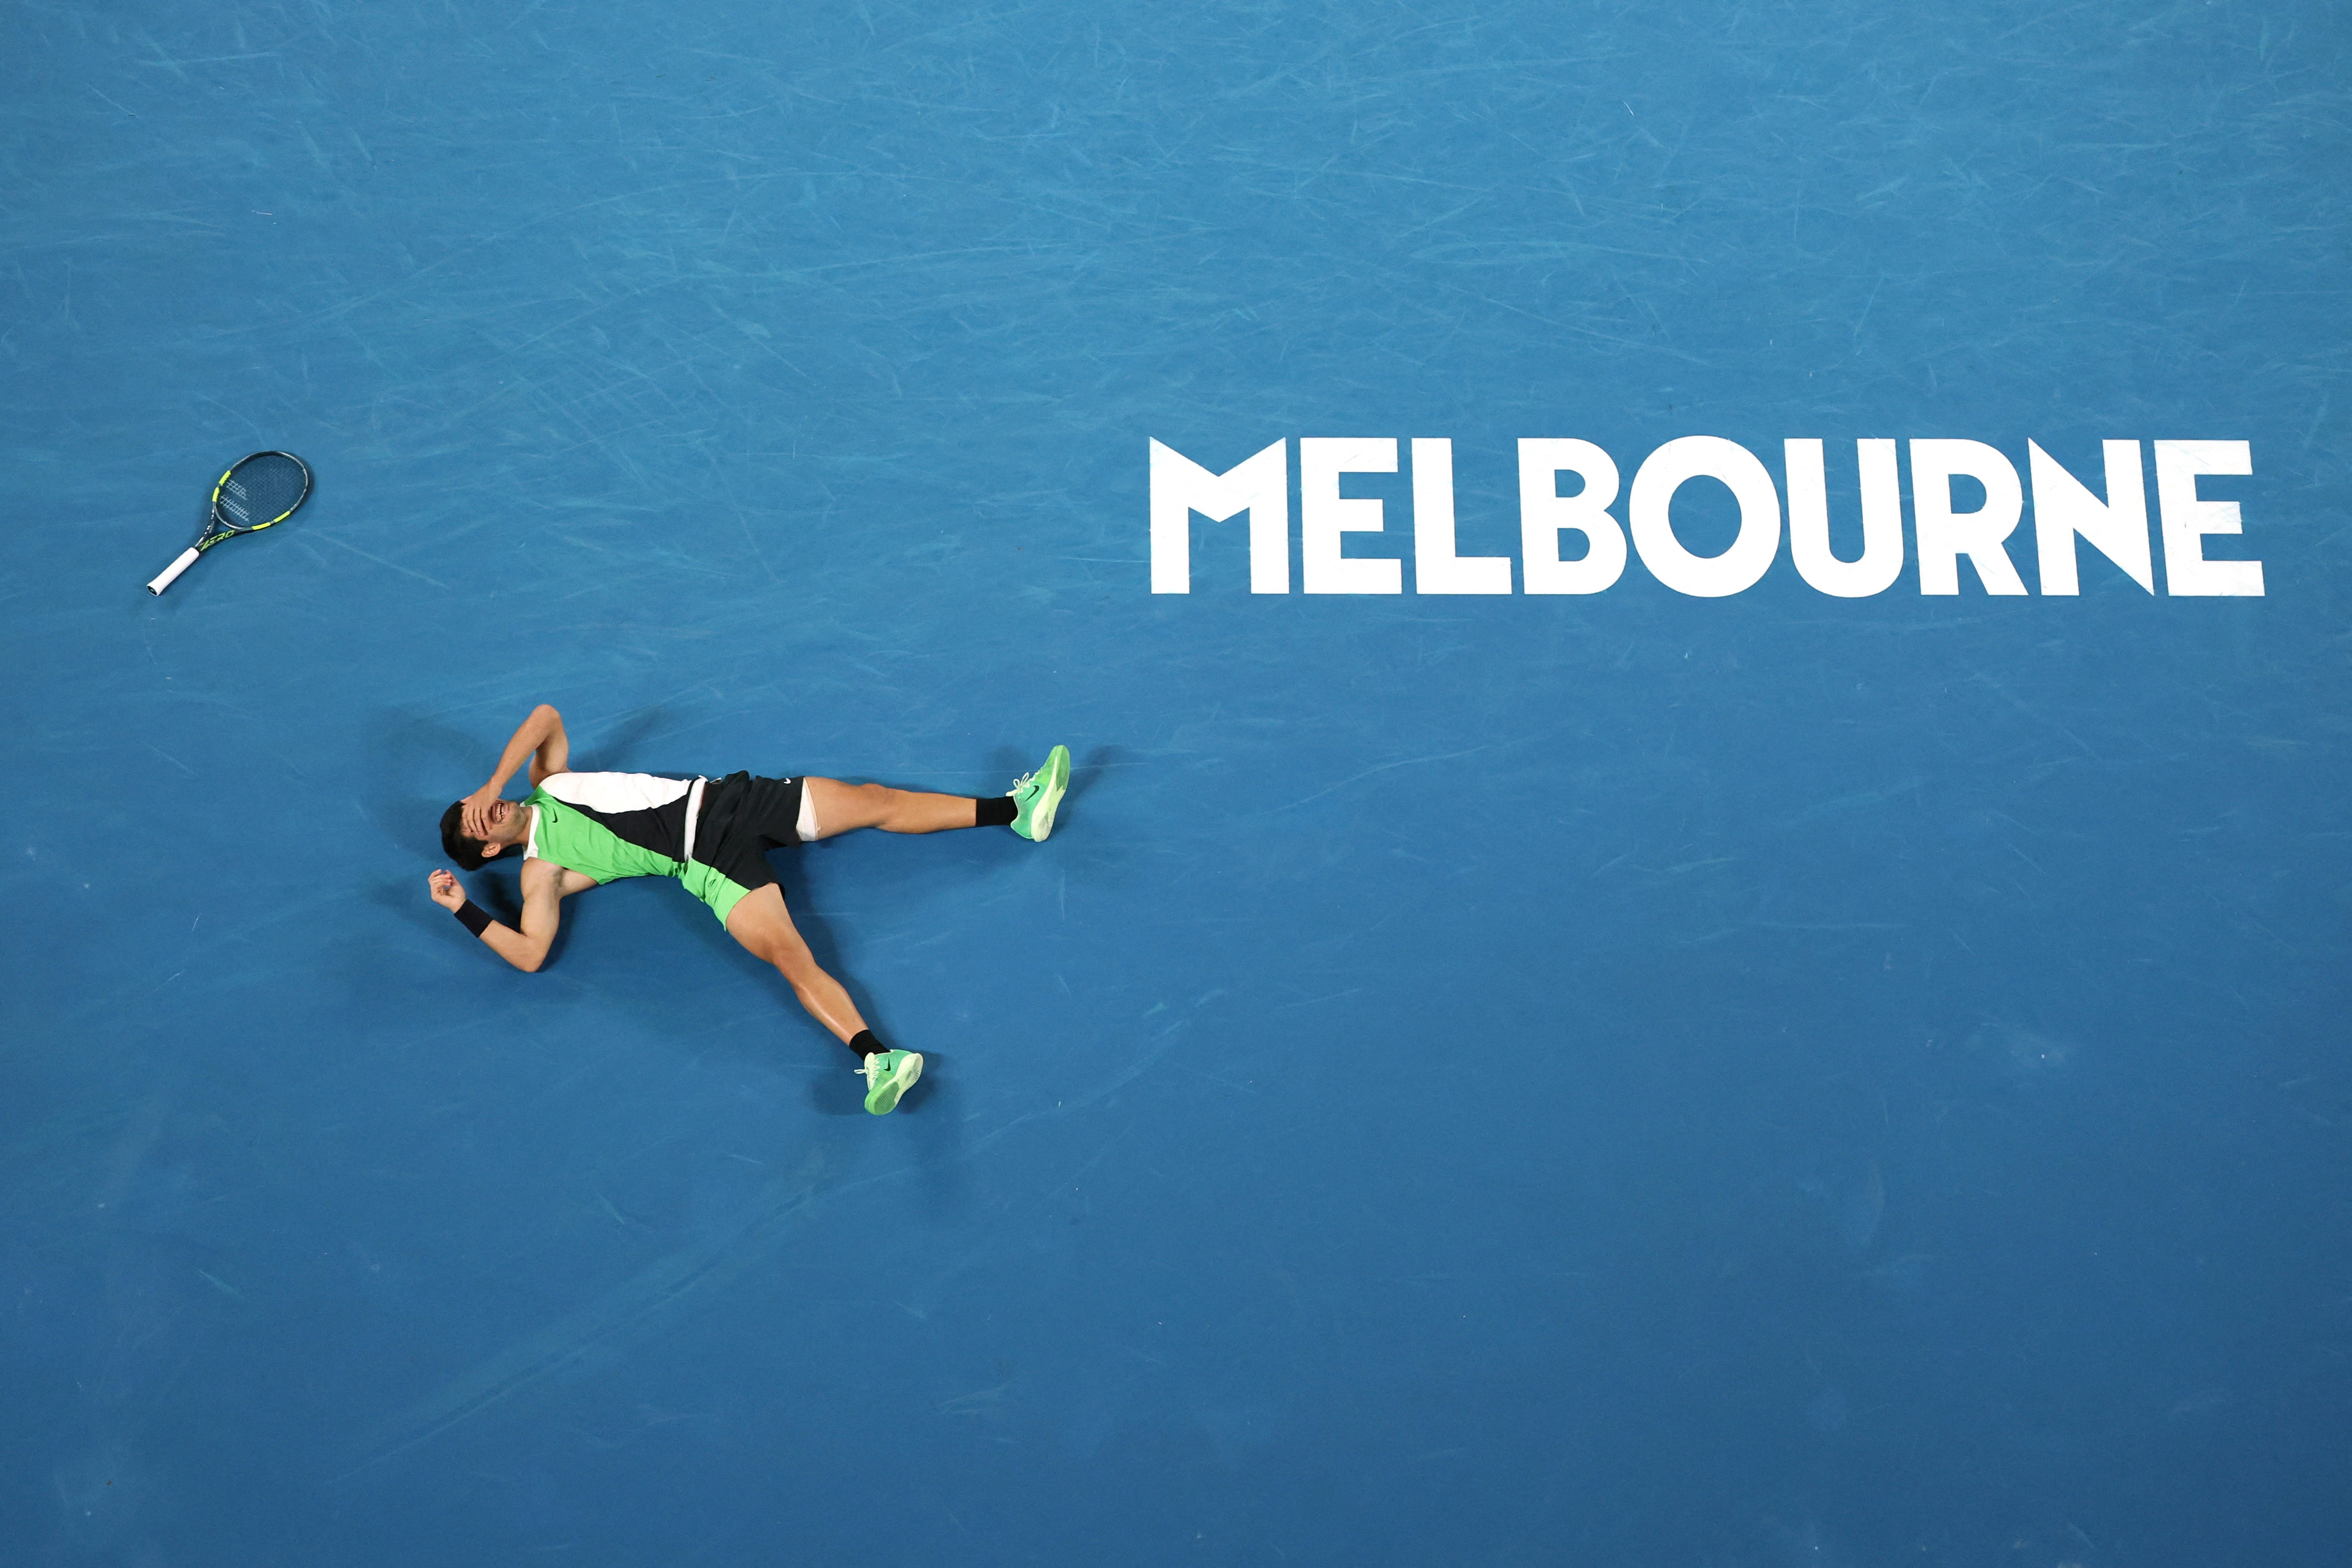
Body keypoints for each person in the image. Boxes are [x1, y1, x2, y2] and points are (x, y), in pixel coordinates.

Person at [427, 704, 1069, 1115]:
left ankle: (1017, 812)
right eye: (483, 814)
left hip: (736, 800)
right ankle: (879, 1057)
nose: (493, 801)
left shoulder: (549, 781)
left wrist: (488, 782)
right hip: (709, 865)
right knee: (792, 956)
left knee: (876, 799)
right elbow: (532, 952)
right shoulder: (544, 874)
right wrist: (463, 910)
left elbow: (545, 716)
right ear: (489, 843)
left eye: (482, 797)